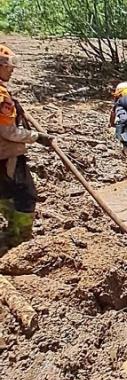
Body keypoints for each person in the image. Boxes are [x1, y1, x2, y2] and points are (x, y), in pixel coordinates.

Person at [0, 44, 54, 254]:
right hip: (7, 153)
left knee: (4, 191)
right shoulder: (2, 95)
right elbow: (8, 131)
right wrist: (36, 137)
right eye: (8, 66)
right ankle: (20, 237)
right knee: (26, 195)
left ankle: (9, 229)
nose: (11, 70)